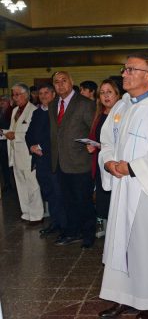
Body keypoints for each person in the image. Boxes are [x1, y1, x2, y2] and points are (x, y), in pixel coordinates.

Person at [97, 53, 148, 319]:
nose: (124, 74)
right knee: (121, 244)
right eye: (124, 69)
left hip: (146, 190)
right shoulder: (122, 107)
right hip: (123, 189)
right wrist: (109, 161)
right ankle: (123, 296)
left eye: (130, 69)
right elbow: (106, 139)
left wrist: (130, 167)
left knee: (147, 246)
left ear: (147, 76)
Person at [49, 71, 96, 247]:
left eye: (64, 80)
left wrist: (93, 146)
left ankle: (88, 235)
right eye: (56, 82)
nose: (60, 84)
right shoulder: (53, 104)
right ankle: (72, 232)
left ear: (71, 82)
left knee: (83, 201)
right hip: (60, 162)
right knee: (66, 201)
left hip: (80, 161)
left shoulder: (84, 104)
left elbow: (93, 130)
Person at [25, 83, 66, 235]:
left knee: (58, 193)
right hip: (39, 160)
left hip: (54, 159)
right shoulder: (37, 112)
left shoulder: (58, 112)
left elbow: (58, 136)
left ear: (53, 94)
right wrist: (31, 146)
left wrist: (41, 147)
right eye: (40, 93)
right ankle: (55, 223)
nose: (43, 96)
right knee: (48, 193)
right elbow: (28, 134)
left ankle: (64, 225)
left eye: (46, 93)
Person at [5, 83, 44, 224]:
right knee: (20, 185)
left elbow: (33, 134)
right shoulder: (15, 110)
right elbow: (11, 130)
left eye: (17, 94)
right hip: (16, 154)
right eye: (13, 95)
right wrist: (5, 134)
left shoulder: (33, 110)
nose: (15, 98)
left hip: (28, 154)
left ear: (26, 95)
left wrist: (15, 135)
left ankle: (36, 215)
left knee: (32, 185)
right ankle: (26, 213)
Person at [86, 79, 120, 228]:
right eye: (102, 93)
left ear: (117, 94)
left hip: (117, 165)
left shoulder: (123, 113)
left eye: (109, 92)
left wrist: (103, 146)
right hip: (102, 164)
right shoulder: (99, 114)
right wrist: (92, 146)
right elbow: (96, 136)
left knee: (117, 204)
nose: (106, 96)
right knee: (104, 203)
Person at [0, 95, 13, 192]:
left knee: (11, 166)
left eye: (4, 100)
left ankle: (13, 184)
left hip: (10, 143)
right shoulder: (1, 112)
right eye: (1, 101)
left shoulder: (12, 112)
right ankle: (7, 183)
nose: (2, 102)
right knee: (4, 165)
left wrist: (3, 131)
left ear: (9, 102)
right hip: (1, 144)